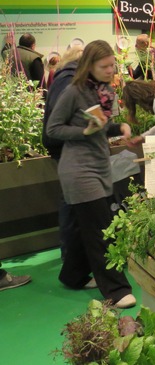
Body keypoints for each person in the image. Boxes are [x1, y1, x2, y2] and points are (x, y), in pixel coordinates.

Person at [46, 40, 136, 309]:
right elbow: (52, 129)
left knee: (83, 224)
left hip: (99, 166)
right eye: (104, 66)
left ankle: (72, 275)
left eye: (112, 65)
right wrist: (81, 133)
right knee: (101, 229)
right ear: (90, 65)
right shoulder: (73, 91)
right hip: (78, 169)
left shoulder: (104, 91)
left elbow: (101, 126)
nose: (111, 70)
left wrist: (120, 127)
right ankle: (117, 290)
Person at [42, 46, 84, 260]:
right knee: (71, 202)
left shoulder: (62, 78)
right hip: (65, 147)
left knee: (71, 200)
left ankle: (73, 260)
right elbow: (56, 125)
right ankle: (73, 261)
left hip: (64, 147)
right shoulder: (68, 82)